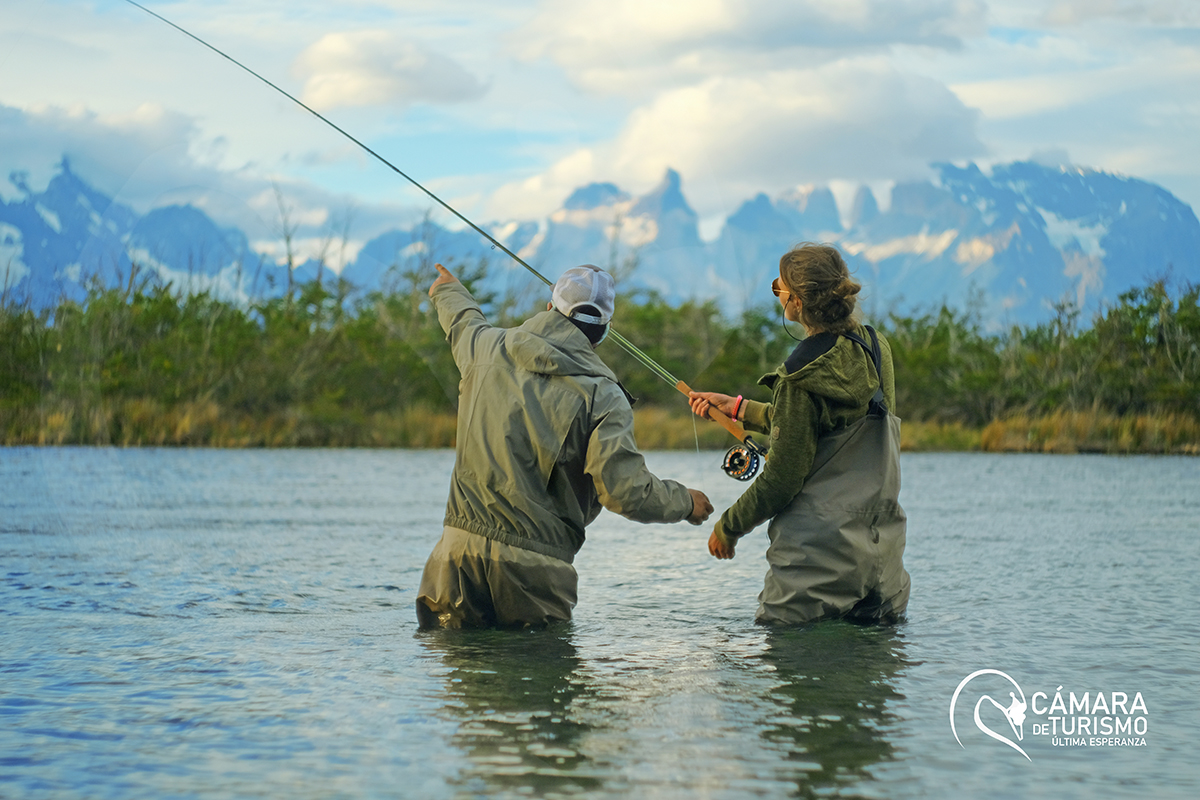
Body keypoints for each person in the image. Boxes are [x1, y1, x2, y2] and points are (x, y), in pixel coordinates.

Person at [417, 262, 714, 629]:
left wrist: (447, 289)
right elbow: (626, 492)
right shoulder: (604, 395)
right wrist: (685, 502)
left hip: (454, 559)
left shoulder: (486, 350)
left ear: (549, 308)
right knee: (538, 682)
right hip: (534, 574)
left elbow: (462, 321)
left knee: (459, 680)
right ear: (603, 331)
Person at [688, 243, 909, 625]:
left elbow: (783, 477)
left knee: (789, 666)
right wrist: (740, 409)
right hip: (883, 566)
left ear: (797, 302)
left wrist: (729, 526)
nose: (777, 294)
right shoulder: (876, 347)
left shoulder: (799, 375)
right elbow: (825, 426)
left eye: (779, 287)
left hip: (815, 568)